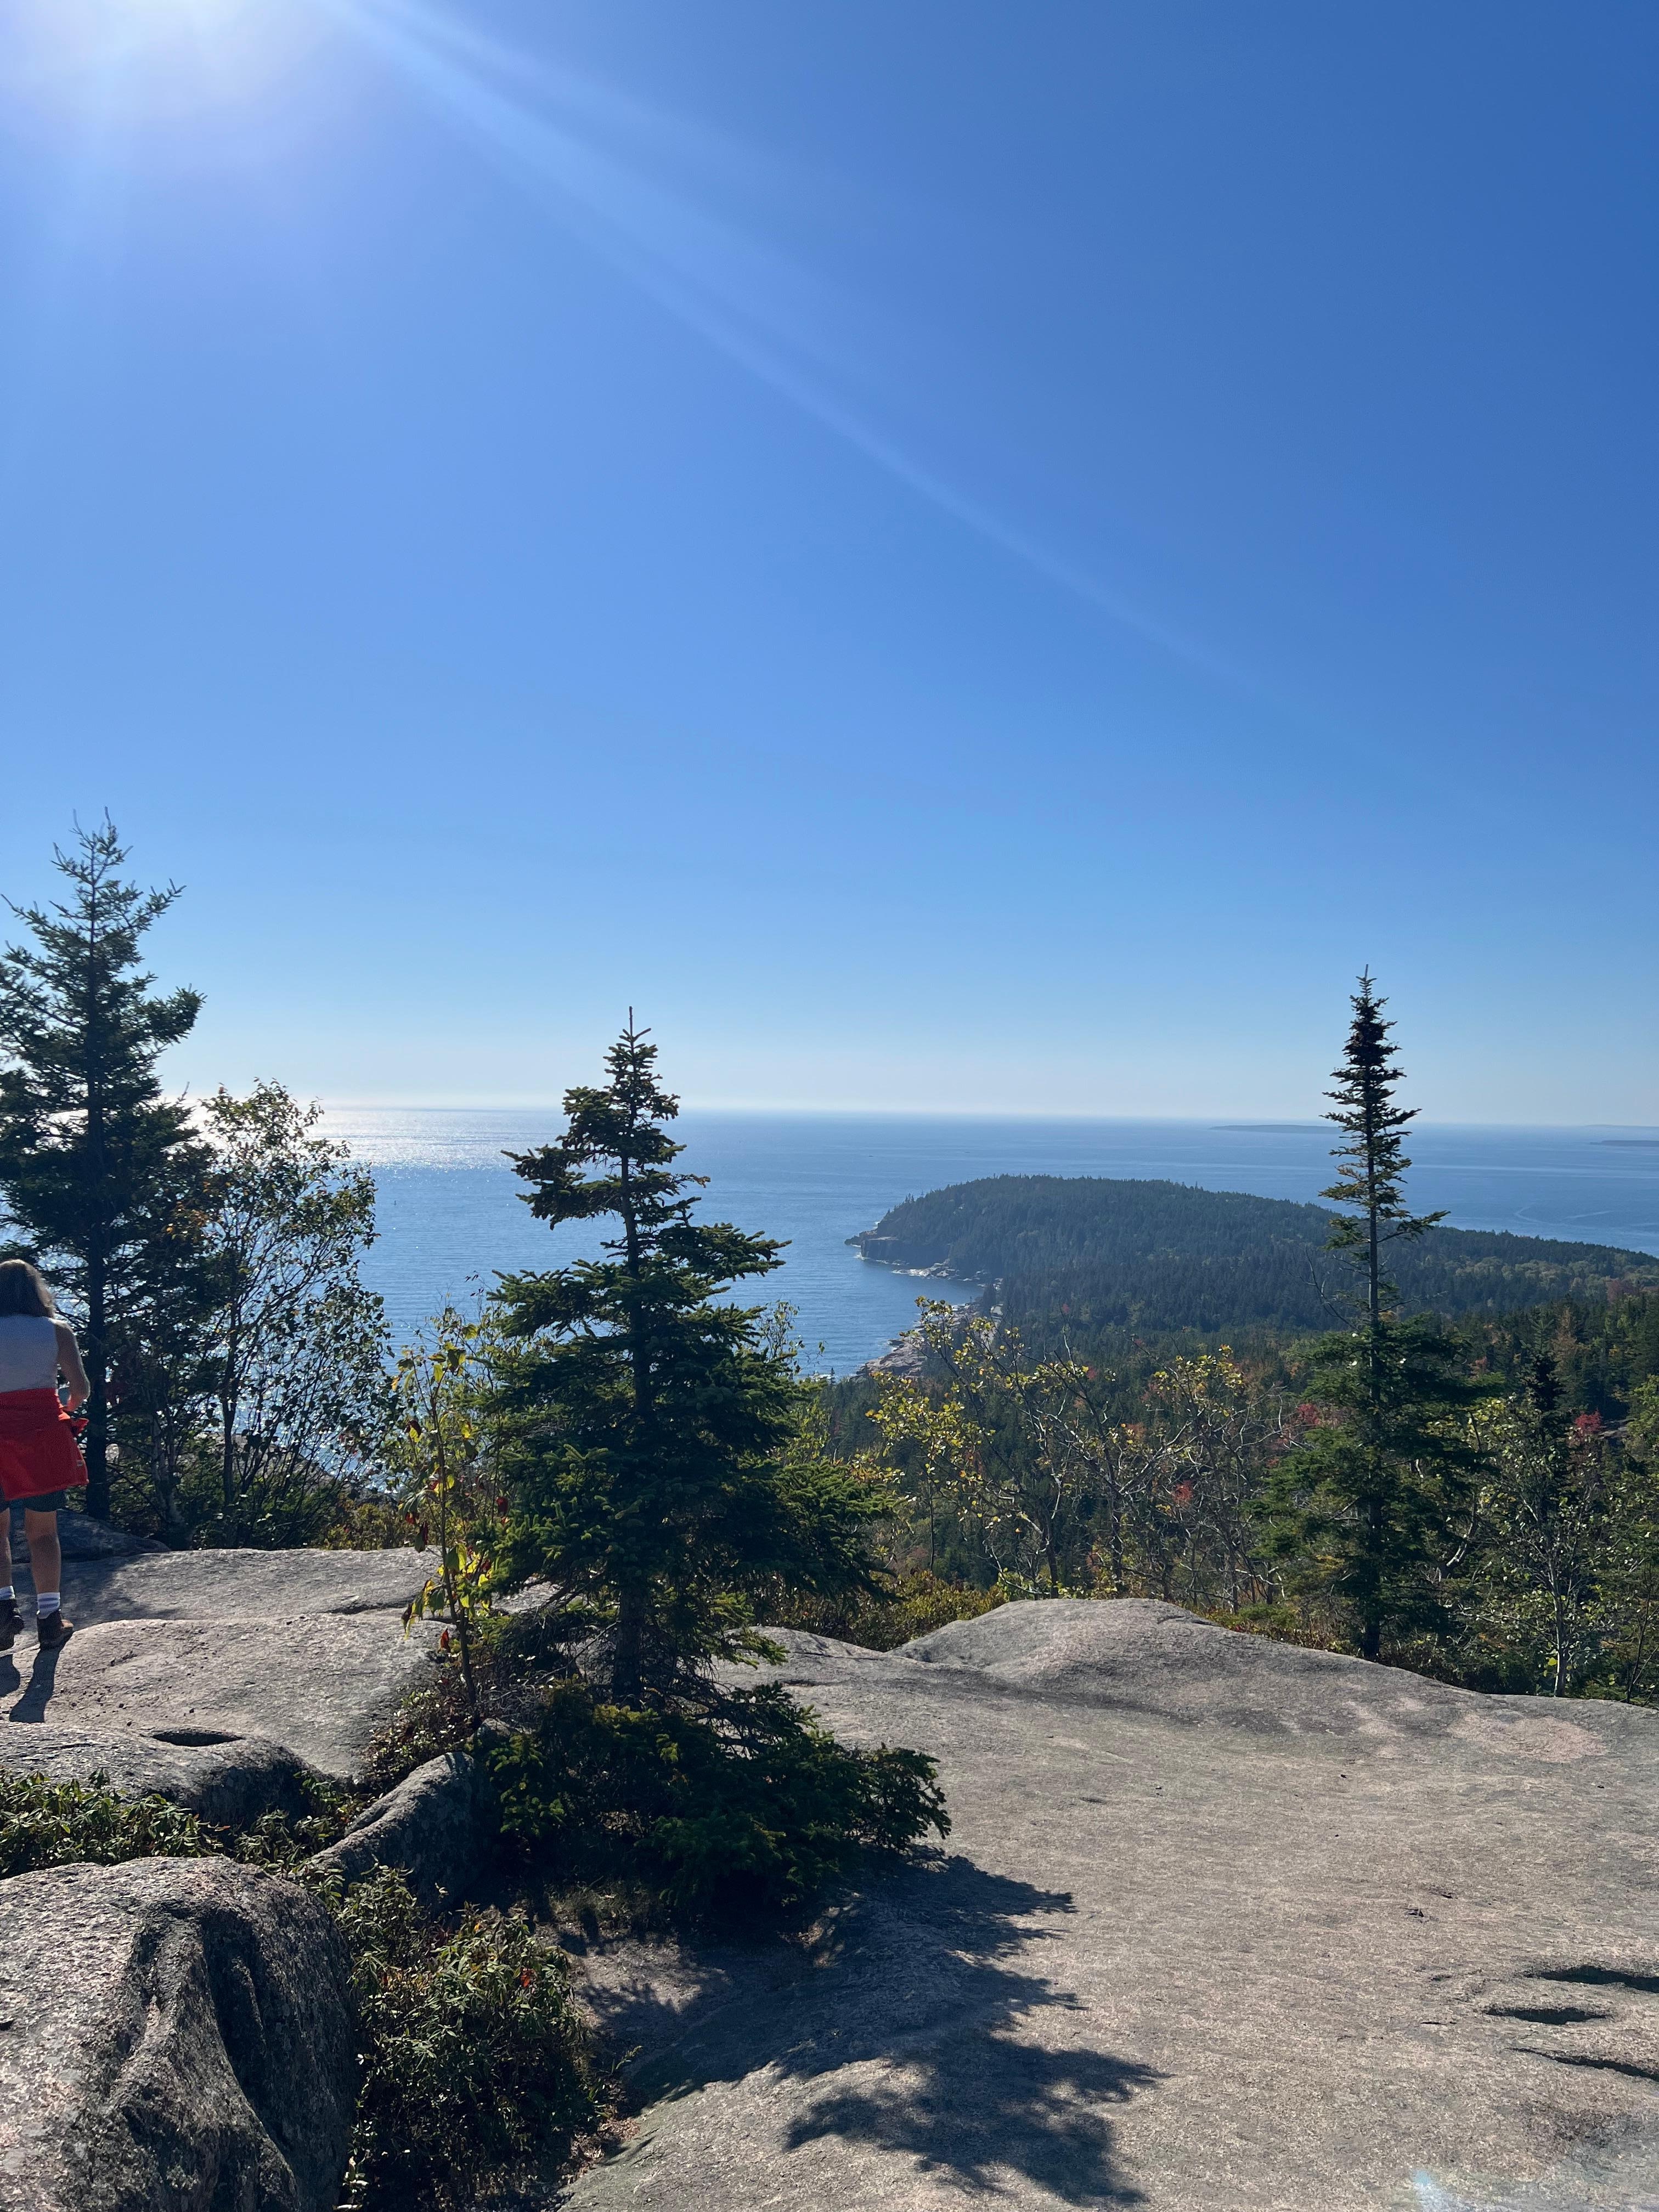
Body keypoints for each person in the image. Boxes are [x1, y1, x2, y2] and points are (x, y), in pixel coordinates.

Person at [0, 1259, 88, 1652]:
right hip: (42, 1436)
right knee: (43, 1532)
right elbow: (80, 1389)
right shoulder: (56, 1331)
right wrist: (65, 1409)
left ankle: (3, 1611)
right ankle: (50, 1620)